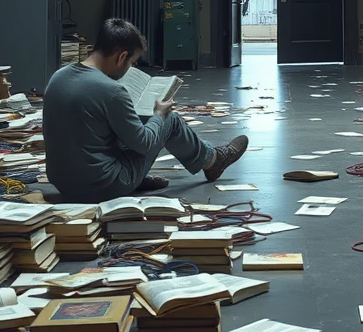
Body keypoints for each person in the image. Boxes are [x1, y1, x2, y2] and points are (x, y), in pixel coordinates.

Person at [43, 17, 248, 202]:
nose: (129, 68)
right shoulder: (112, 91)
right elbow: (143, 144)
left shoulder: (58, 77)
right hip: (102, 187)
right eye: (131, 62)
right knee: (169, 120)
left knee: (117, 128)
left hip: (64, 184)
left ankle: (138, 176)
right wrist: (159, 114)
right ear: (121, 56)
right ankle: (213, 161)